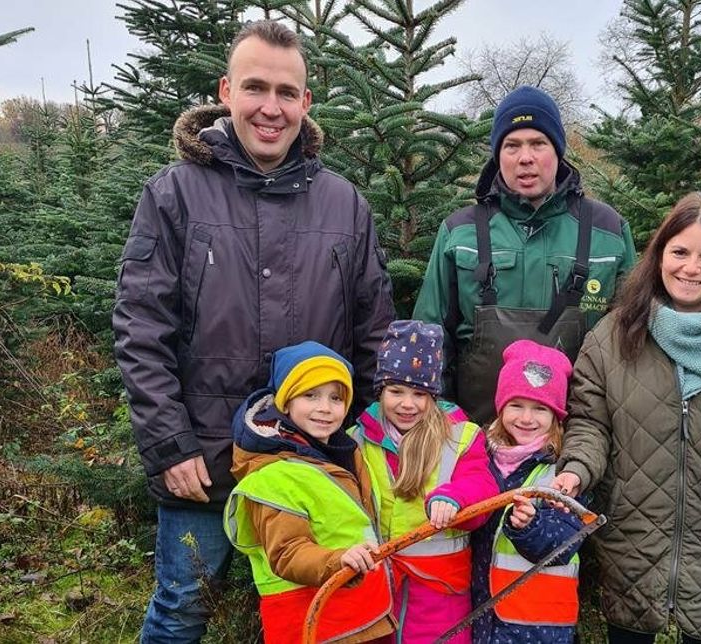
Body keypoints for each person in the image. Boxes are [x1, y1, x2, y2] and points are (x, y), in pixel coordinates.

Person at [112, 20, 394, 642]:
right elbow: (141, 328)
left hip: (313, 462)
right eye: (256, 88)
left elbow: (374, 332)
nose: (271, 108)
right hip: (202, 459)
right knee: (183, 604)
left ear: (306, 103)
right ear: (227, 91)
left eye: (286, 92)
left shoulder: (344, 204)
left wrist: (374, 441)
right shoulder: (175, 194)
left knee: (322, 607)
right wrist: (169, 445)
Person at [552, 193, 701, 644]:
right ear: (659, 255)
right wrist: (576, 472)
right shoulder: (613, 337)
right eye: (679, 251)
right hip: (633, 545)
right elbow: (589, 424)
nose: (691, 268)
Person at [413, 85, 637, 424]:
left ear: (558, 151)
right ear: (497, 155)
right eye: (512, 145)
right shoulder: (460, 233)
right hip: (472, 438)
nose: (525, 158)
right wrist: (443, 427)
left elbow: (630, 345)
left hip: (577, 443)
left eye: (538, 143)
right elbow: (430, 338)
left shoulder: (608, 233)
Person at [224, 342, 394, 643]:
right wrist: (338, 561)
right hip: (315, 626)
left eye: (336, 398)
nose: (325, 408)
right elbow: (287, 552)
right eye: (310, 395)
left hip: (365, 616)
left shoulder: (345, 451)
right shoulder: (274, 474)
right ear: (285, 402)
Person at [349, 319, 498, 643]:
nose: (407, 403)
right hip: (377, 586)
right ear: (380, 390)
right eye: (396, 391)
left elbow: (483, 486)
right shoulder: (357, 440)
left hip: (440, 592)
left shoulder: (459, 436)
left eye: (419, 393)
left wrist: (454, 497)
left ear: (433, 394)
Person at [470, 339, 583, 644]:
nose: (526, 418)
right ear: (500, 406)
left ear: (556, 415)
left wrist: (530, 526)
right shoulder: (478, 455)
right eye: (516, 405)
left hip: (537, 625)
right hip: (481, 614)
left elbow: (565, 542)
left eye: (539, 409)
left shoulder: (563, 470)